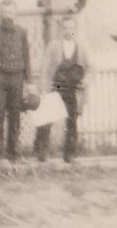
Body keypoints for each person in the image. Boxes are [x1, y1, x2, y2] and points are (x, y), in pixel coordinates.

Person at [0, 0, 35, 162]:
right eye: (5, 12)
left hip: (17, 79)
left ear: (15, 14)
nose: (8, 16)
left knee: (15, 116)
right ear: (0, 14)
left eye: (11, 12)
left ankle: (14, 154)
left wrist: (30, 82)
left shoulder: (22, 32)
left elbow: (26, 58)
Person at [35, 11, 89, 163]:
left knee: (72, 122)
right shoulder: (53, 46)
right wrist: (43, 88)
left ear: (75, 29)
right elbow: (45, 68)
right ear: (61, 29)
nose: (68, 30)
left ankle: (69, 155)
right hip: (55, 87)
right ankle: (41, 153)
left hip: (73, 89)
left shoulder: (82, 48)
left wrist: (85, 81)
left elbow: (91, 68)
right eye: (65, 27)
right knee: (46, 120)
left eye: (71, 27)